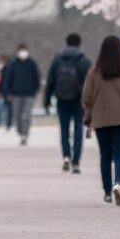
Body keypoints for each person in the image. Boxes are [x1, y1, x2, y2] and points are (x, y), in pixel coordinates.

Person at [83, 35, 120, 206]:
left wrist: (88, 117)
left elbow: (87, 98)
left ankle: (107, 192)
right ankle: (118, 184)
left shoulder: (94, 73)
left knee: (105, 156)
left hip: (101, 121)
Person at [44, 33, 92, 173]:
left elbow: (50, 81)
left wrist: (47, 100)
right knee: (78, 129)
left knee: (64, 129)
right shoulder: (84, 60)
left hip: (62, 99)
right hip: (79, 101)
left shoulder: (57, 59)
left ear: (66, 43)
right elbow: (90, 83)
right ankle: (76, 161)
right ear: (79, 43)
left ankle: (66, 156)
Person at [0, 42, 41, 144]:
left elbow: (37, 78)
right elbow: (7, 79)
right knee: (17, 115)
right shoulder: (13, 64)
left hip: (29, 94)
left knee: (26, 115)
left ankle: (25, 134)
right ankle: (20, 132)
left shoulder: (32, 63)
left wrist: (36, 90)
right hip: (16, 94)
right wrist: (7, 93)